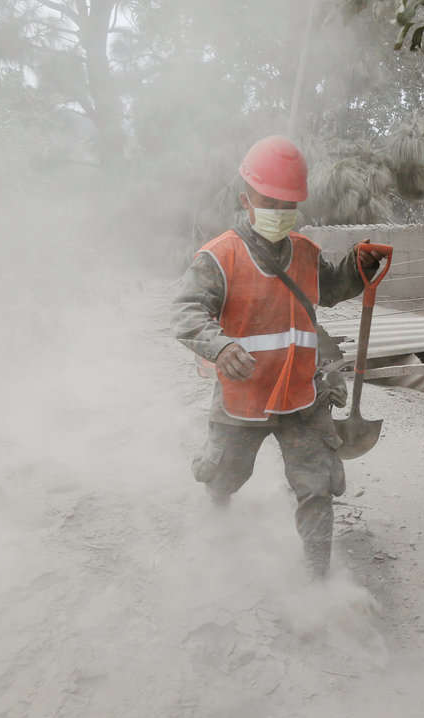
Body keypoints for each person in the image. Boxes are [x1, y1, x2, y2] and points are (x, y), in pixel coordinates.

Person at [171, 134, 386, 578]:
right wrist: (220, 346)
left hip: (301, 396)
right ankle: (217, 504)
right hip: (242, 398)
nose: (280, 212)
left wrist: (357, 266)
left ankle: (317, 576)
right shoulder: (219, 257)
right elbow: (186, 312)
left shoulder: (305, 253)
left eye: (289, 205)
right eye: (270, 202)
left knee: (316, 487)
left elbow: (330, 289)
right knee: (225, 473)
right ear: (245, 200)